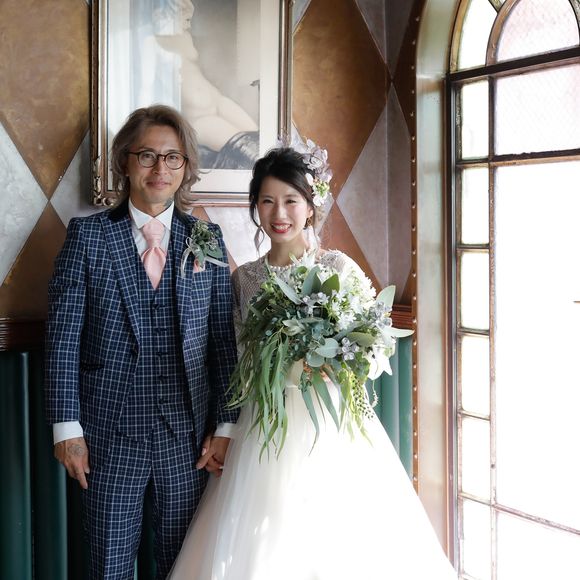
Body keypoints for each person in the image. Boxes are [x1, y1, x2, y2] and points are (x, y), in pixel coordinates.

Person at [168, 146, 458, 579]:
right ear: (255, 207)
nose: (279, 213)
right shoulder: (244, 279)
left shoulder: (337, 266)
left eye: (290, 200)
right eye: (267, 201)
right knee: (264, 540)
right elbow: (236, 357)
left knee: (338, 538)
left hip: (331, 418)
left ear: (310, 205)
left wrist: (336, 363)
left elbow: (375, 344)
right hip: (266, 420)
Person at [44, 104, 239, 580]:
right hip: (108, 437)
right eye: (147, 155)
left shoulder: (206, 238)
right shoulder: (88, 237)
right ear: (125, 162)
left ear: (185, 167)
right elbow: (63, 340)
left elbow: (222, 341)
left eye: (172, 157)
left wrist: (226, 426)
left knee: (185, 565)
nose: (160, 168)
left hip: (189, 439)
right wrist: (66, 430)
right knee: (108, 566)